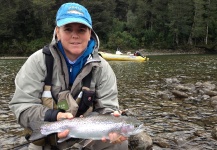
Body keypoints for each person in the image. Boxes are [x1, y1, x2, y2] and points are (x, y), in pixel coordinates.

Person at [9, 2, 128, 150]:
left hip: (87, 137)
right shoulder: (38, 61)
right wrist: (54, 117)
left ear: (90, 33)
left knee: (120, 143)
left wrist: (112, 118)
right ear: (57, 31)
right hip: (48, 136)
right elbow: (22, 106)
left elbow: (108, 107)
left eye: (81, 30)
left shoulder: (102, 68)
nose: (75, 35)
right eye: (68, 29)